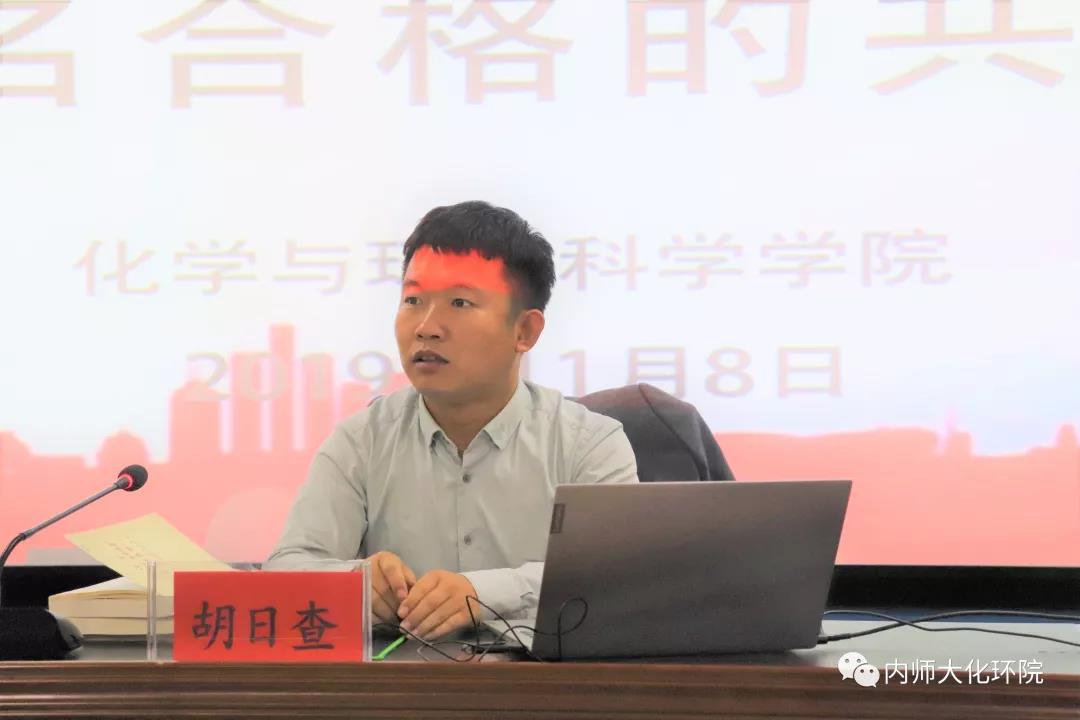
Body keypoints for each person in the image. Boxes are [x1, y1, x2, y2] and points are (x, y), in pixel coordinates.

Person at [266, 201, 638, 640]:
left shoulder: (590, 444)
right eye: (412, 300)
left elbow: (617, 578)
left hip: (542, 681)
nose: (426, 327)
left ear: (524, 332)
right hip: (402, 683)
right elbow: (287, 568)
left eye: (460, 302)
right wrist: (355, 582)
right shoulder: (362, 441)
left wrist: (484, 593)